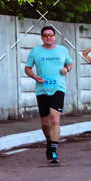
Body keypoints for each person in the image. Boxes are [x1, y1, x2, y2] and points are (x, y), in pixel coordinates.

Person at [25, 25, 73, 165]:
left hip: (58, 88)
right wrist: (35, 77)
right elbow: (27, 68)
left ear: (54, 36)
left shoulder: (62, 50)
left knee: (55, 119)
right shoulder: (36, 51)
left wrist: (66, 69)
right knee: (45, 122)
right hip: (42, 89)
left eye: (51, 35)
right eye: (45, 35)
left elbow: (69, 64)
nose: (48, 37)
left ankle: (53, 151)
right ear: (42, 37)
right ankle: (49, 141)